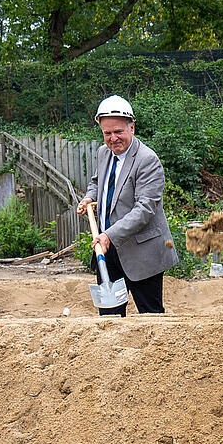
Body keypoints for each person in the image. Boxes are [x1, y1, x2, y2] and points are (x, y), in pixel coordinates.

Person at [76, 95, 178, 316]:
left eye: (118, 132)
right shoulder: (104, 153)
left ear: (132, 127)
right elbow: (97, 182)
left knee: (150, 318)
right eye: (107, 133)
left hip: (142, 252)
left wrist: (109, 235)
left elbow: (144, 210)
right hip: (107, 250)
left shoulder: (147, 160)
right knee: (110, 319)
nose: (113, 138)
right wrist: (88, 198)